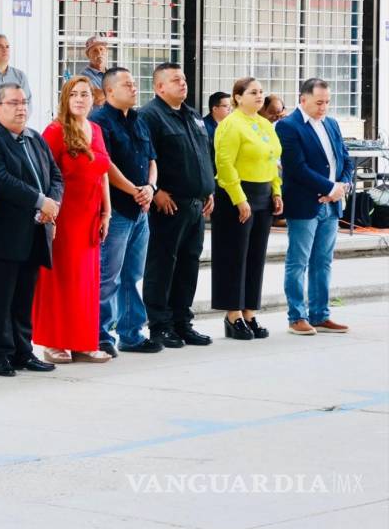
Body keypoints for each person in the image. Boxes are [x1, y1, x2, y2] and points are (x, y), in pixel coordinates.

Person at [0, 84, 61, 377]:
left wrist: (53, 202)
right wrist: (40, 201)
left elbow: (55, 174)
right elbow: (0, 179)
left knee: (24, 298)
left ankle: (23, 352)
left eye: (24, 102)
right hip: (0, 235)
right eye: (13, 103)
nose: (21, 108)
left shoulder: (34, 137)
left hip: (34, 231)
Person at [32, 77, 113, 364]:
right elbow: (43, 175)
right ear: (65, 99)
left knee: (86, 281)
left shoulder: (96, 129)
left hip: (90, 216)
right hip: (63, 216)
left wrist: (107, 212)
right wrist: (48, 216)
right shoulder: (55, 131)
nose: (79, 99)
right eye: (74, 94)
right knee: (60, 279)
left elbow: (102, 172)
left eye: (85, 94)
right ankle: (55, 342)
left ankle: (83, 342)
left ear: (94, 99)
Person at [140, 63, 216, 349]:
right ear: (159, 87)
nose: (182, 84)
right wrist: (156, 190)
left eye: (183, 79)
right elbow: (145, 157)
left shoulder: (193, 115)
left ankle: (182, 322)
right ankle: (160, 325)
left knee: (188, 265)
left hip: (196, 205)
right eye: (175, 80)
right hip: (168, 206)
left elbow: (205, 154)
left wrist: (209, 189)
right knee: (162, 265)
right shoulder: (150, 116)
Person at [89, 68, 162, 356]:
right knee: (108, 276)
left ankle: (131, 333)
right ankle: (100, 335)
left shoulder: (139, 120)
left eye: (134, 83)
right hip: (117, 210)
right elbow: (104, 164)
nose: (134, 88)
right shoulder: (98, 121)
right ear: (109, 92)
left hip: (140, 210)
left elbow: (152, 158)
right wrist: (134, 189)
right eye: (127, 84)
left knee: (133, 274)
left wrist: (150, 188)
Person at [276, 78, 354, 335]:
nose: (324, 107)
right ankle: (296, 316)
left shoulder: (331, 123)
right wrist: (329, 188)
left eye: (327, 102)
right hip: (304, 203)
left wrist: (342, 186)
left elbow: (344, 158)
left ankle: (320, 314)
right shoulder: (288, 126)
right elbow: (296, 168)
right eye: (319, 102)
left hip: (331, 205)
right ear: (303, 99)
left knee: (323, 261)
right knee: (298, 261)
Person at [212, 77, 283, 340]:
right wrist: (239, 198)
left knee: (255, 256)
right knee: (234, 255)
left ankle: (250, 311)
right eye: (253, 92)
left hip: (263, 192)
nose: (259, 96)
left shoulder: (264, 124)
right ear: (238, 97)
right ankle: (233, 314)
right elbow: (225, 162)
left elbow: (273, 159)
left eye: (261, 92)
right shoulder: (231, 124)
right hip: (238, 193)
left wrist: (276, 189)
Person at [203, 91, 232, 163]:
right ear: (215, 109)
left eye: (230, 106)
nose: (230, 109)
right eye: (226, 106)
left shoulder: (229, 125)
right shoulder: (203, 127)